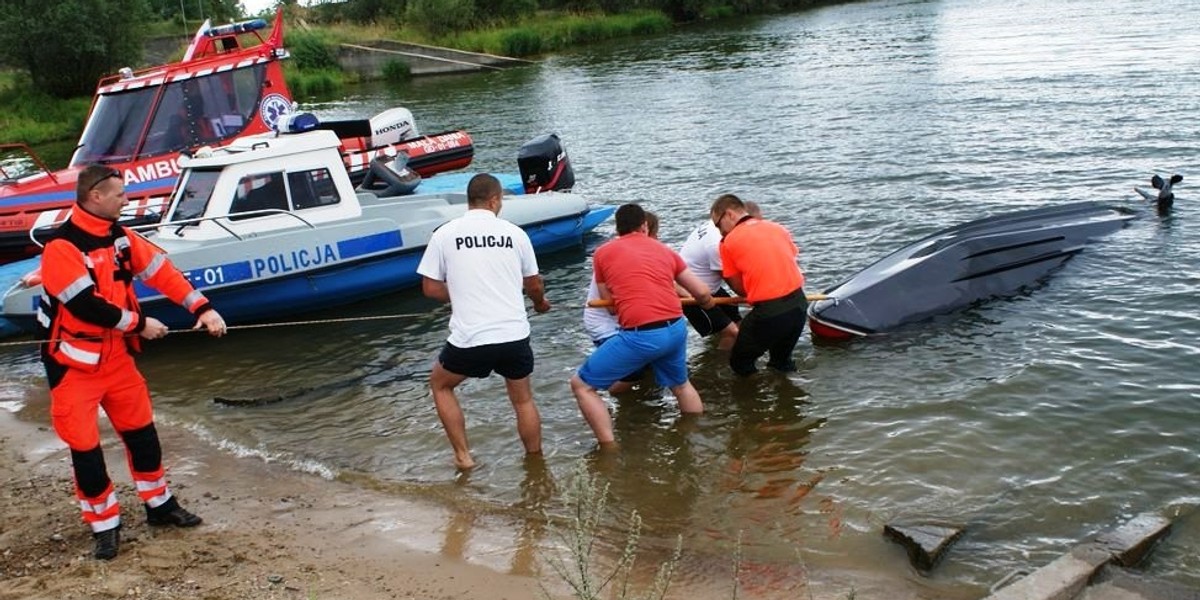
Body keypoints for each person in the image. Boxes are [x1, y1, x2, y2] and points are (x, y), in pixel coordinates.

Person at [38, 164, 228, 561]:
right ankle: (105, 528)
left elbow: (163, 273)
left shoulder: (122, 238)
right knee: (86, 452)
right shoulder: (62, 248)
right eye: (120, 195)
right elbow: (84, 306)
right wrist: (140, 324)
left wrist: (203, 308)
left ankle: (159, 506)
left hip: (118, 362)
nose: (127, 200)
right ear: (96, 197)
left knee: (143, 437)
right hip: (75, 368)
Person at [417, 173, 551, 470]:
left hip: (471, 338)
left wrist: (462, 293)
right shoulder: (515, 234)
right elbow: (534, 283)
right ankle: (535, 463)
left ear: (469, 201)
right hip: (514, 335)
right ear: (494, 200)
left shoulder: (445, 233)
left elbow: (430, 288)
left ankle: (464, 457)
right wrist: (540, 304)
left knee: (440, 385)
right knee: (523, 400)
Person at [570, 203, 716, 447]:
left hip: (642, 334)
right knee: (681, 385)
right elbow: (701, 293)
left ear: (618, 228)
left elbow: (610, 306)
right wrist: (709, 303)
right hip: (676, 328)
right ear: (645, 225)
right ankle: (695, 434)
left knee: (581, 385)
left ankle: (609, 448)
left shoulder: (603, 254)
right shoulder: (665, 250)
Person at [711, 193, 808, 376]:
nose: (720, 231)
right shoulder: (777, 228)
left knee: (740, 363)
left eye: (718, 225)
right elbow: (790, 259)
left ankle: (753, 401)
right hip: (799, 305)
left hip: (770, 312)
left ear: (730, 214)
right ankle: (789, 397)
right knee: (781, 362)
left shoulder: (728, 242)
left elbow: (739, 287)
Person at [581, 211, 660, 394]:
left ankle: (639, 407)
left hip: (629, 322)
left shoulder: (645, 256)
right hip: (607, 323)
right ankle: (606, 395)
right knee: (633, 370)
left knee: (654, 365)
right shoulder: (616, 257)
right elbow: (611, 308)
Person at [677, 201, 761, 350]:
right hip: (691, 295)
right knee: (732, 333)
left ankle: (714, 356)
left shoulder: (717, 224)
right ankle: (724, 367)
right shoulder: (717, 243)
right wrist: (759, 298)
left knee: (737, 321)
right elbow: (732, 281)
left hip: (709, 287)